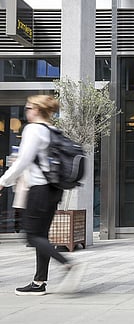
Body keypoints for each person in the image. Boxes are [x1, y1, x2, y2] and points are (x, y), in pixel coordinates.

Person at [0, 95, 86, 296]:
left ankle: (69, 265)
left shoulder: (33, 130)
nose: (26, 111)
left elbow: (23, 161)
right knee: (41, 236)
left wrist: (3, 181)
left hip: (39, 189)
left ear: (37, 110)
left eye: (28, 107)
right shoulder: (52, 130)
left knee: (32, 234)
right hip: (54, 189)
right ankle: (39, 282)